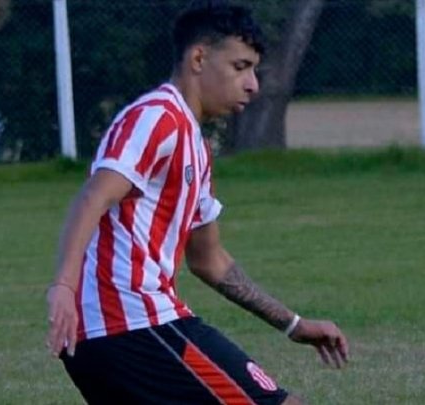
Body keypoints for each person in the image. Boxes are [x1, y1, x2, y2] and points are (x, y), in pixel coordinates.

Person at [46, 1, 348, 404]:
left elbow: (210, 261)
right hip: (135, 323)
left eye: (254, 70)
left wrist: (293, 325)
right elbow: (93, 197)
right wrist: (63, 286)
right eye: (240, 67)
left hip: (114, 335)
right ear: (199, 58)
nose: (253, 84)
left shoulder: (196, 147)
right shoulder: (157, 117)